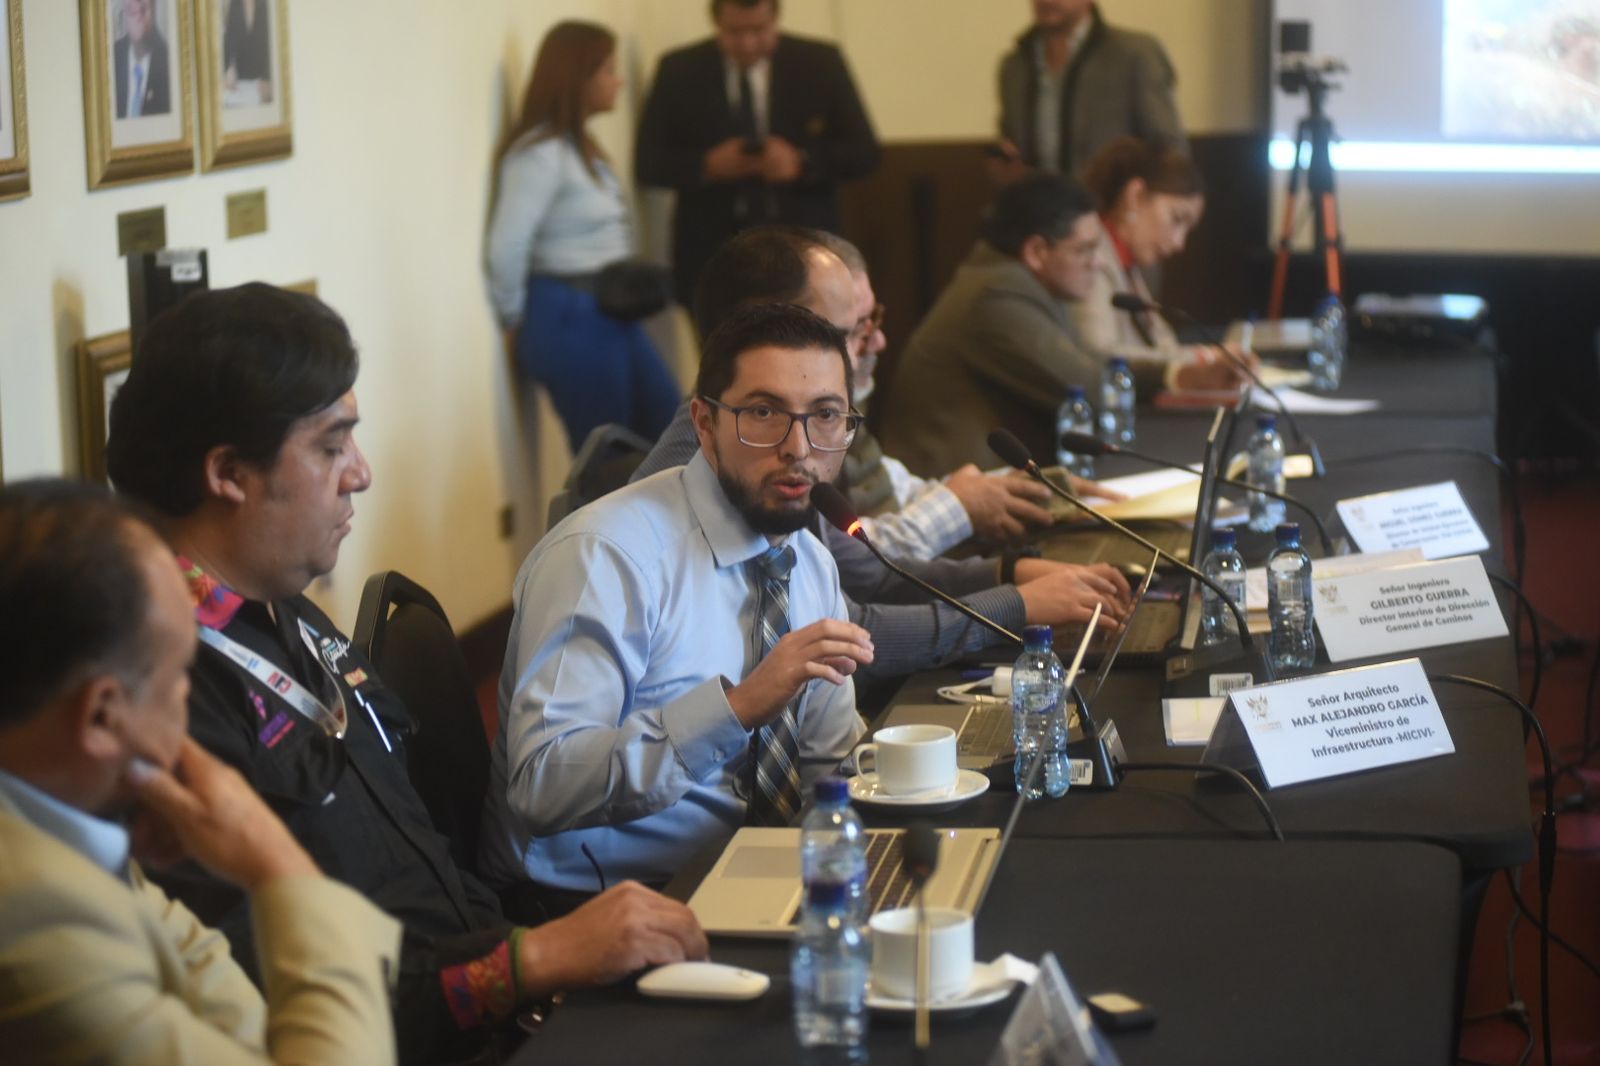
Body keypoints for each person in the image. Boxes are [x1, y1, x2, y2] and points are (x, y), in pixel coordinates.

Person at [105, 283, 706, 1065]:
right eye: (330, 445)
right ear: (229, 473)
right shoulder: (167, 696)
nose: (361, 473)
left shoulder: (290, 612)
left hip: (497, 992)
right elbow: (266, 994)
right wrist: (531, 960)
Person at [480, 303, 875, 905]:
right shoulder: (606, 557)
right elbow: (542, 786)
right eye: (763, 414)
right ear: (705, 424)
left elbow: (829, 757)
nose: (800, 449)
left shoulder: (808, 557)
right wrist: (737, 708)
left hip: (752, 882)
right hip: (599, 902)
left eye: (825, 416)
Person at [0, 479, 399, 1065]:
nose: (190, 699)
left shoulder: (62, 807)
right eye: (180, 676)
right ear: (104, 717)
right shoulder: (34, 921)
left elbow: (219, 998)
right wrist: (277, 867)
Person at [630, 226, 1134, 681]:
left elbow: (870, 575)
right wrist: (1014, 607)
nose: (871, 344)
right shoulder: (721, 472)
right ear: (771, 332)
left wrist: (1011, 574)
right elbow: (848, 635)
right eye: (848, 332)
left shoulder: (794, 444)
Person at [877, 173, 1245, 477]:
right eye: (1085, 250)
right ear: (1037, 252)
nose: (1099, 264)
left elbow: (1091, 366)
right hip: (949, 503)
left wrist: (1180, 376)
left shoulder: (1025, 283)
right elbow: (1088, 389)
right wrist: (1174, 375)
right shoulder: (995, 297)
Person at [487, 21, 680, 453]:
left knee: (671, 432)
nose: (619, 81)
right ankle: (590, 525)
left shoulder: (581, 148)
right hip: (569, 314)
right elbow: (507, 244)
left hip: (611, 311)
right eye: (608, 70)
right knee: (606, 456)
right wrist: (511, 318)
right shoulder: (540, 154)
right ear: (579, 77)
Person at [635, 0, 880, 306]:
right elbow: (648, 163)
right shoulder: (679, 69)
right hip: (711, 248)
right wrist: (707, 165)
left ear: (776, 19)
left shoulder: (820, 62)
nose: (748, 43)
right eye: (735, 32)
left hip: (803, 244)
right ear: (716, 24)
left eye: (759, 30)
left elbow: (864, 151)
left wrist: (801, 162)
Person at [991, 0, 1184, 182]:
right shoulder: (1015, 66)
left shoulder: (1134, 55)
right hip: (1039, 210)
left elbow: (1168, 150)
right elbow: (1009, 144)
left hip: (1113, 211)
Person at [1071, 136, 1211, 362]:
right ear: (1135, 196)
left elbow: (1163, 345)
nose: (1179, 242)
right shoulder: (1091, 257)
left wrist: (1210, 359)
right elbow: (1100, 354)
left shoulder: (1128, 267)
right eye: (1176, 219)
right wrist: (1202, 360)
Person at [113, 0, 171, 119]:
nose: (138, 14)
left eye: (144, 7)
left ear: (154, 9)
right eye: (131, 9)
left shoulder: (169, 62)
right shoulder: (112, 57)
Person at [223, 0, 273, 102]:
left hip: (263, 79)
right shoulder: (234, 4)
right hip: (240, 81)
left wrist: (267, 77)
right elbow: (229, 40)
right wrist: (227, 70)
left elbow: (270, 42)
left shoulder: (265, 4)